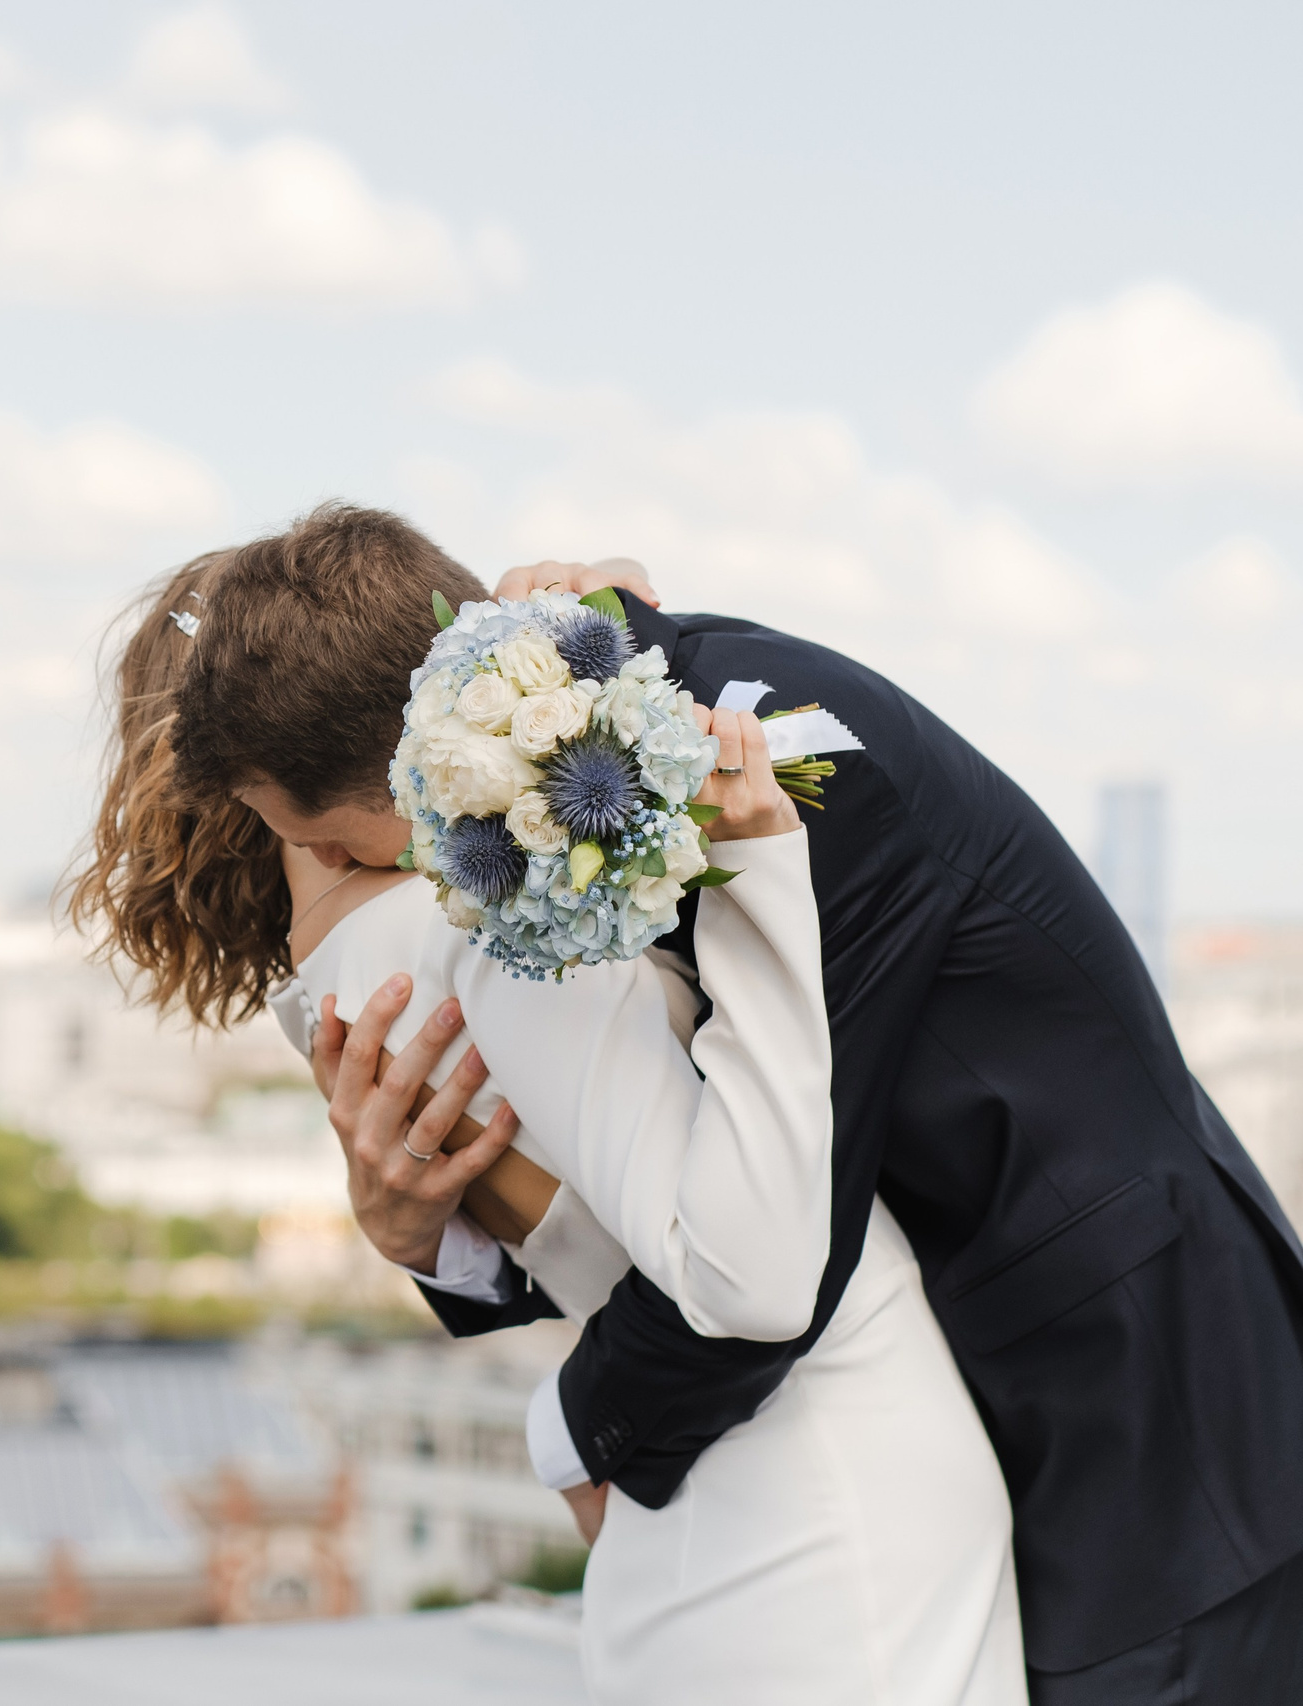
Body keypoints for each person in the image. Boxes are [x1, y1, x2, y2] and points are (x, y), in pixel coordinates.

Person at [165, 504, 1303, 1703]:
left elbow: (774, 1241)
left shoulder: (786, 778)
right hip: (990, 1397)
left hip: (1144, 1413)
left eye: (330, 846)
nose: (338, 881)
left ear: (422, 766)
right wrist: (431, 1241)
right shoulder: (604, 732)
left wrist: (578, 1429)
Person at [68, 550, 1025, 1702]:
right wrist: (750, 863)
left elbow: (578, 1231)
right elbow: (740, 1260)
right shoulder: (483, 920)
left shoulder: (331, 984)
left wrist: (449, 1270)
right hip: (825, 1463)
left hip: (704, 1493)